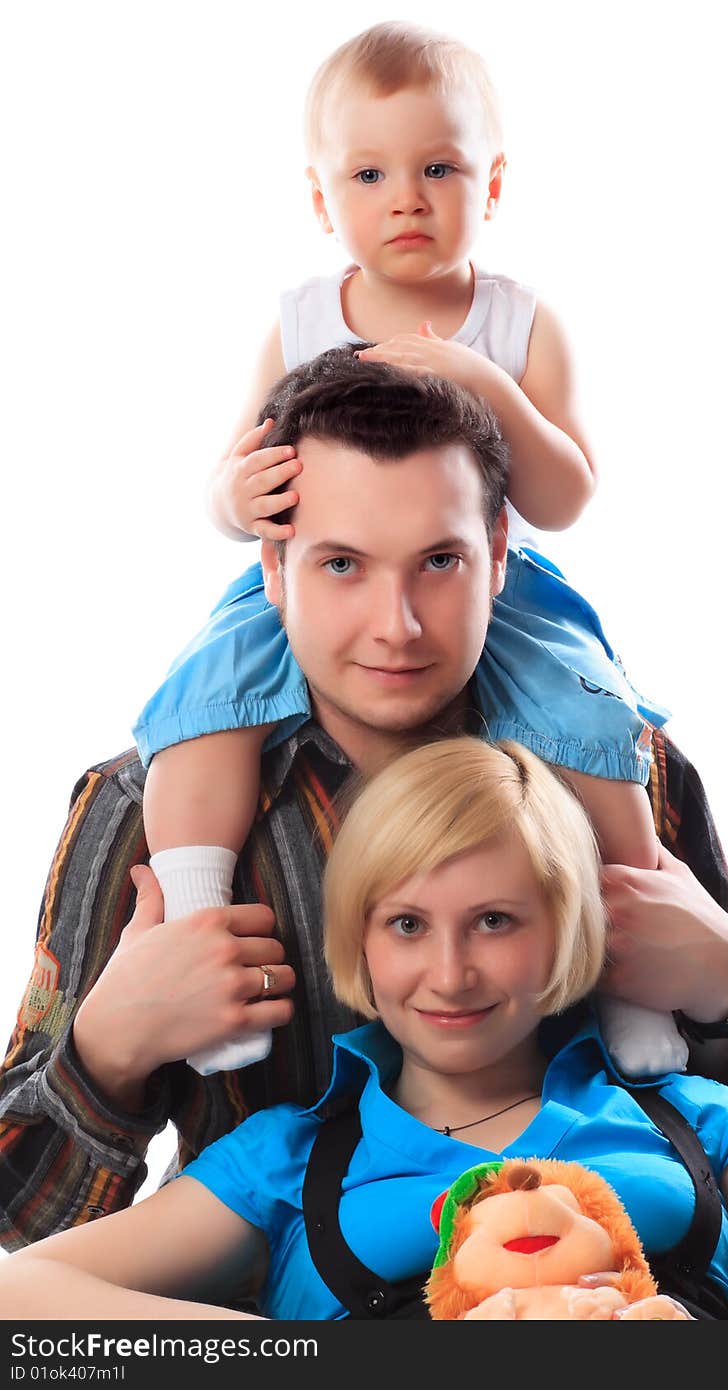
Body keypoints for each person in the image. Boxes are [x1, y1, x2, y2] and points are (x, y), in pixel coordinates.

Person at [0, 352, 728, 1255]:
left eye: (439, 562)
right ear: (273, 565)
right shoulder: (146, 807)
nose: (398, 625)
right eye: (342, 563)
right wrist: (110, 1050)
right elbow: (22, 1223)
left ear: (498, 553)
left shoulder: (626, 773)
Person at [134, 19, 681, 1080]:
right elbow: (229, 478)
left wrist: (491, 393)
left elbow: (563, 494)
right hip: (296, 580)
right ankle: (197, 921)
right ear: (319, 197)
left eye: (440, 168)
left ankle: (636, 951)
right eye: (370, 173)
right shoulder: (299, 319)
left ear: (495, 181)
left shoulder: (518, 325)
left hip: (509, 590)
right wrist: (234, 497)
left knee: (588, 710)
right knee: (199, 701)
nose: (407, 199)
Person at [0, 738, 728, 1321]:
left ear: (567, 938)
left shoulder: (692, 1122)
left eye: (495, 921)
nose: (450, 974)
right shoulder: (289, 1160)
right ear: (360, 946)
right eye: (408, 926)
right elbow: (21, 1295)